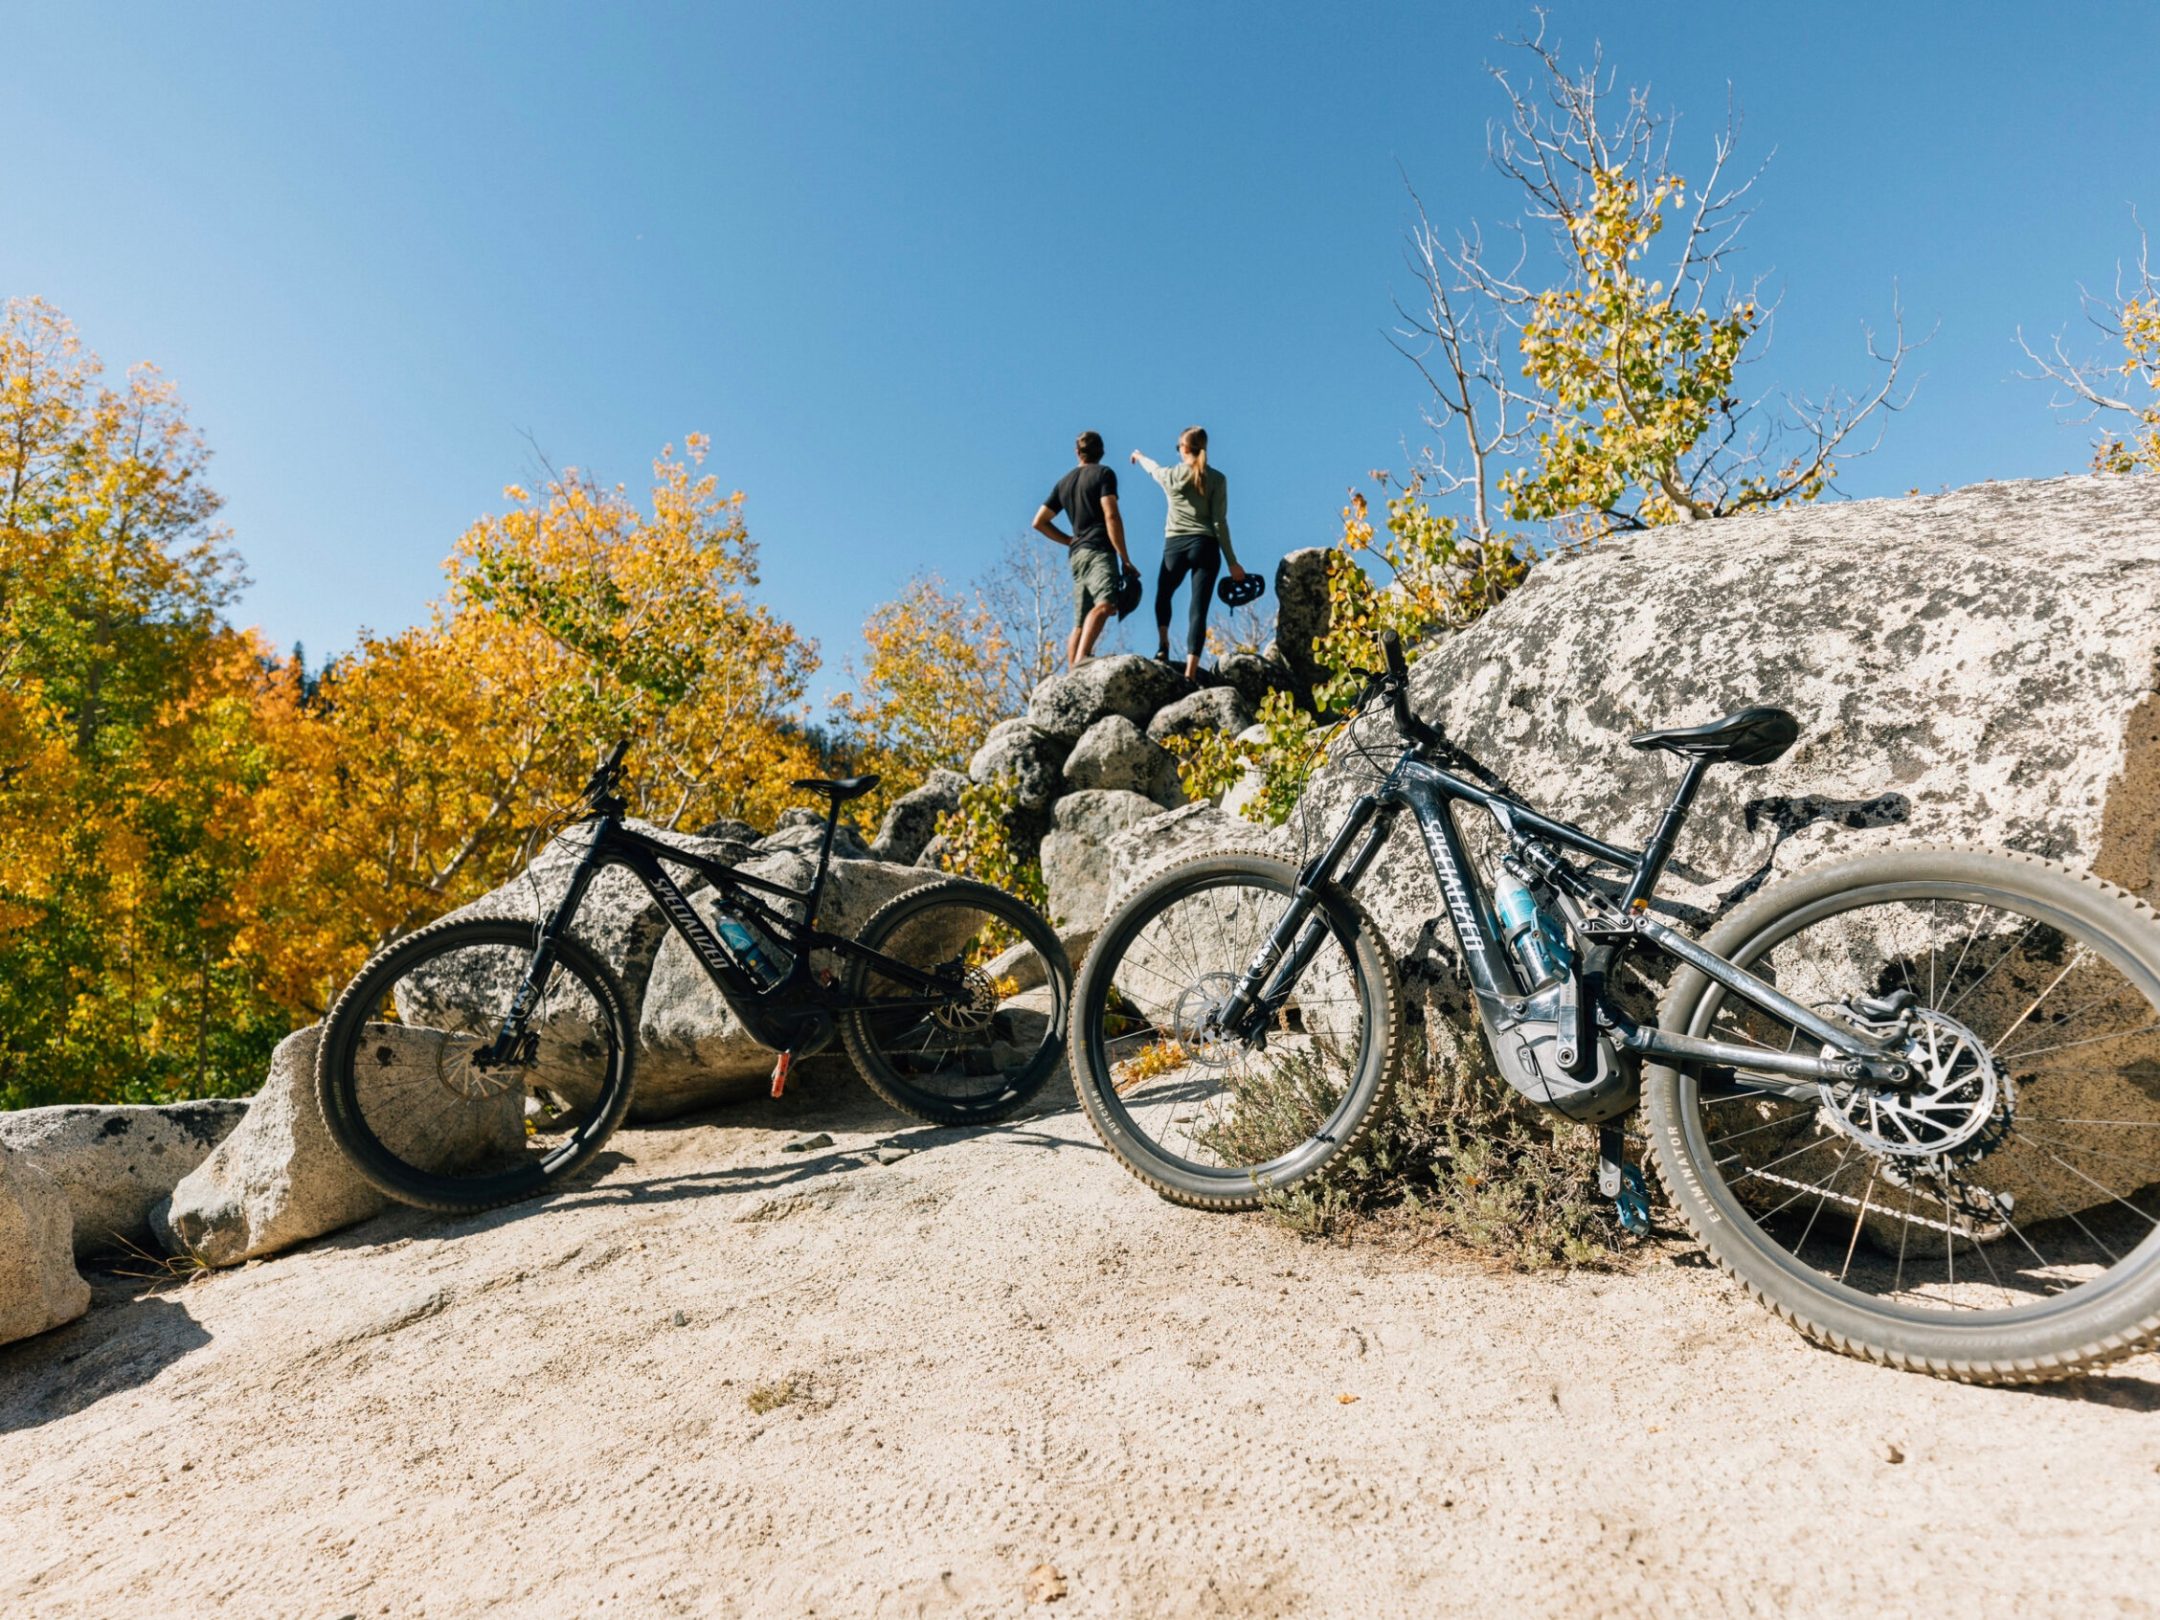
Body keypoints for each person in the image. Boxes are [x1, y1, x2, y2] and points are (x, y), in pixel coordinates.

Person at [1130, 426, 1247, 680]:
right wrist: (1233, 563)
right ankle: (1190, 673)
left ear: (1184, 448)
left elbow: (1152, 469)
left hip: (1175, 546)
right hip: (1206, 547)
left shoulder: (1171, 475)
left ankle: (1163, 646)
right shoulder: (1217, 479)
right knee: (1198, 608)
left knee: (1164, 594)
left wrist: (1139, 457)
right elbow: (1219, 523)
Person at [1032, 429, 1135, 669]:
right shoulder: (1104, 474)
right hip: (1099, 549)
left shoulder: (1064, 483)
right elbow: (1111, 515)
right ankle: (1082, 658)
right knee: (1106, 603)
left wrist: (1069, 540)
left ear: (1077, 452)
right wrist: (1125, 558)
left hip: (1077, 555)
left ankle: (1072, 673)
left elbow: (1039, 522)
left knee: (1080, 620)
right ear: (1102, 452)